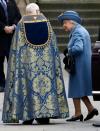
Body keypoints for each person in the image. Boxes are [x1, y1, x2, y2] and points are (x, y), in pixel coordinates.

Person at [2, 3, 69, 125]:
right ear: (38, 11)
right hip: (46, 67)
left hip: (27, 66)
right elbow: (53, 48)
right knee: (45, 88)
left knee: (26, 86)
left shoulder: (21, 26)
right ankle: (44, 116)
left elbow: (16, 49)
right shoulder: (47, 24)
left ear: (27, 12)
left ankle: (27, 116)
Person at [58, 10, 99, 122]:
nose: (63, 26)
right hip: (82, 64)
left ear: (72, 22)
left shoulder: (77, 32)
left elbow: (78, 48)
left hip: (79, 66)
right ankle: (89, 109)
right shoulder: (80, 30)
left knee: (76, 88)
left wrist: (69, 50)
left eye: (65, 23)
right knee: (78, 88)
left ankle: (78, 113)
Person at [0, 0, 21, 92]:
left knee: (12, 61)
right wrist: (3, 27)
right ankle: (1, 84)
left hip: (11, 37)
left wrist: (13, 26)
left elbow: (18, 16)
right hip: (0, 37)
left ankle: (12, 83)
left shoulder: (12, 2)